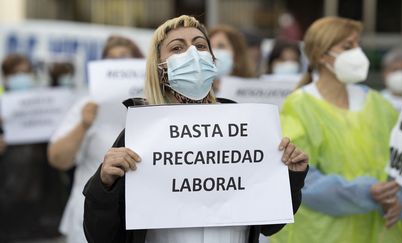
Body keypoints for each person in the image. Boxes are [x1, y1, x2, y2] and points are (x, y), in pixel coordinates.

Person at [82, 15, 309, 243]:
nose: (192, 54)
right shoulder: (140, 135)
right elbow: (101, 236)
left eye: (200, 46)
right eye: (177, 48)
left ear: (212, 59)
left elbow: (269, 225)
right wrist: (104, 185)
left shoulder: (245, 128)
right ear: (160, 66)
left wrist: (292, 176)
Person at [271, 16, 402, 243]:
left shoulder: (379, 104)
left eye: (358, 45)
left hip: (377, 232)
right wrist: (364, 193)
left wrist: (396, 198)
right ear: (321, 54)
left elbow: (399, 164)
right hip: (321, 234)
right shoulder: (300, 106)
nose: (357, 53)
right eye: (347, 46)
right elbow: (301, 180)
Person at [47, 35, 144, 243]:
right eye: (111, 60)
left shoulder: (156, 106)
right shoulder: (88, 105)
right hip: (90, 220)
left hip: (140, 218)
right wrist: (83, 125)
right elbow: (58, 159)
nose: (119, 65)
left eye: (125, 58)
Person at [0, 54, 68, 242]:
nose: (22, 76)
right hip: (9, 201)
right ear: (6, 77)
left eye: (25, 71)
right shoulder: (2, 102)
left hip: (43, 197)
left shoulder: (46, 102)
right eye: (16, 73)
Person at [209, 25, 256, 92]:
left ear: (237, 52)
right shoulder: (199, 94)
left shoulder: (253, 90)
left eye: (221, 46)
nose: (213, 52)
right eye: (210, 47)